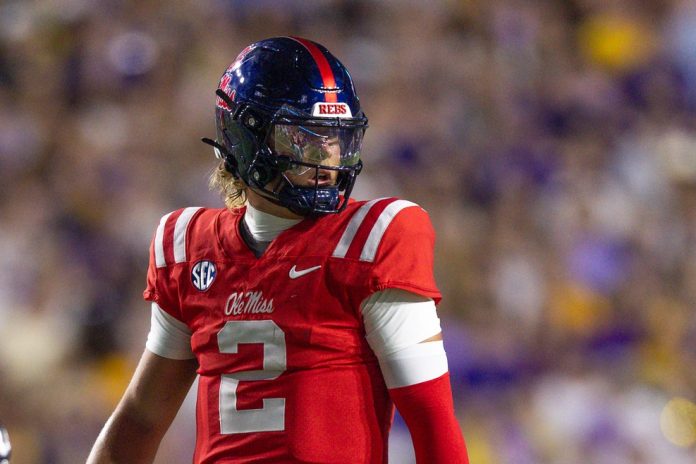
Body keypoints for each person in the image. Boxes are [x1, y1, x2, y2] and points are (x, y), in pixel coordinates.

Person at [87, 36, 469, 464]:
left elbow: (432, 423)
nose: (329, 155)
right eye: (304, 138)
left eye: (336, 136)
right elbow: (141, 416)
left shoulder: (374, 237)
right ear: (246, 137)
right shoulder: (188, 247)